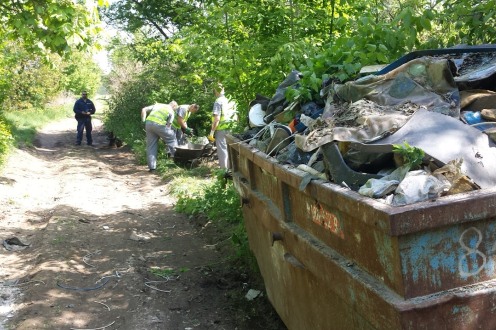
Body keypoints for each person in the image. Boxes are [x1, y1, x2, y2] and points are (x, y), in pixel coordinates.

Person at [141, 101, 179, 171]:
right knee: (172, 139)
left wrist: (143, 120)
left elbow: (144, 109)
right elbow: (168, 126)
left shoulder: (157, 105)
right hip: (159, 125)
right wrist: (164, 136)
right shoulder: (171, 111)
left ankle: (152, 168)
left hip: (148, 124)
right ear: (174, 107)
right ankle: (177, 161)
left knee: (151, 146)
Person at [208, 85, 237, 169]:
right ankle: (232, 168)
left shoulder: (218, 101)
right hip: (231, 127)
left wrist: (212, 133)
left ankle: (224, 171)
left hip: (221, 129)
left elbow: (216, 119)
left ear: (216, 91)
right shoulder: (229, 101)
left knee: (222, 150)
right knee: (230, 149)